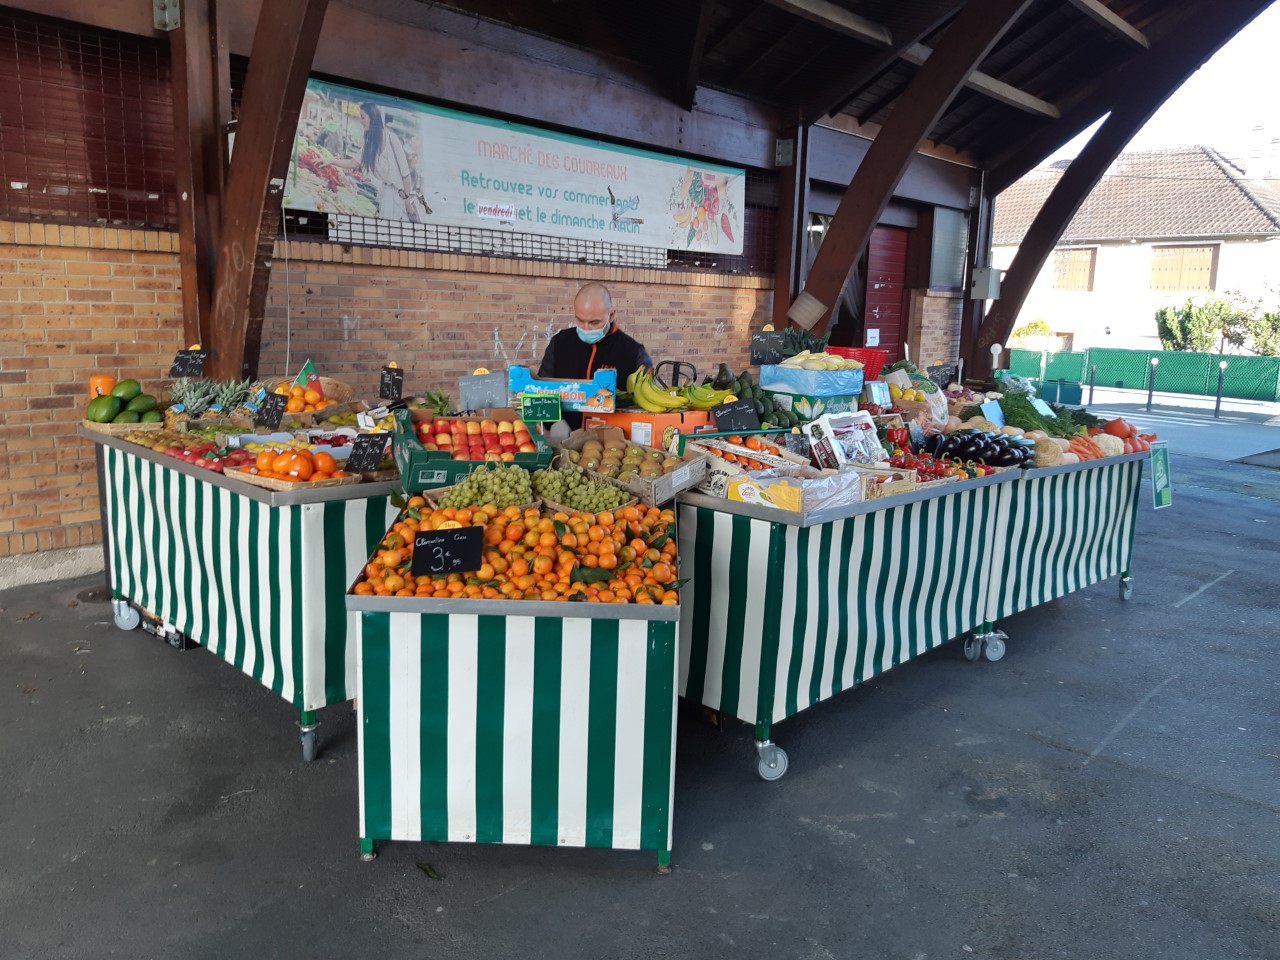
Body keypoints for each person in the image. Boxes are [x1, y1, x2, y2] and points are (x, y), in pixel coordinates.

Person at [538, 283, 652, 428]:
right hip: (562, 436)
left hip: (611, 437)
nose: (586, 328)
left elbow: (642, 407)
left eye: (594, 322)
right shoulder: (560, 343)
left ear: (611, 315)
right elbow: (542, 389)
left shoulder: (633, 352)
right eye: (580, 320)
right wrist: (553, 423)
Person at [318, 102, 427, 221]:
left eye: (363, 117)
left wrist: (407, 203)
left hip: (400, 199)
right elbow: (352, 163)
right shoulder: (369, 143)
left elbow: (406, 176)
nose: (360, 121)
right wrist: (330, 160)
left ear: (373, 117)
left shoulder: (392, 139)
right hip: (386, 198)